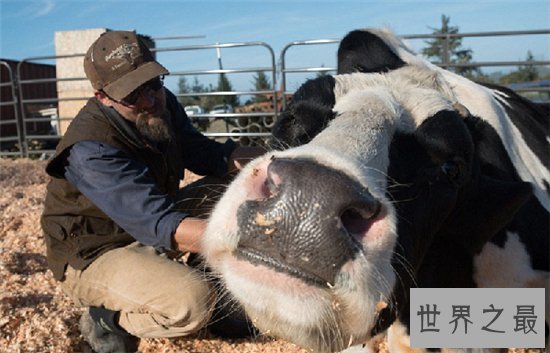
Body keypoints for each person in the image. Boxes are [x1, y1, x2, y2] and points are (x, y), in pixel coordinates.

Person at [40, 30, 263, 353]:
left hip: (150, 220)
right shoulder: (90, 150)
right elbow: (160, 225)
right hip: (98, 251)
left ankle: (206, 282)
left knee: (235, 187)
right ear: (102, 96)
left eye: (153, 83)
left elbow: (201, 152)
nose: (149, 100)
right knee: (193, 301)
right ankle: (107, 319)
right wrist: (252, 239)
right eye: (132, 94)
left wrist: (272, 160)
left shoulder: (162, 105)